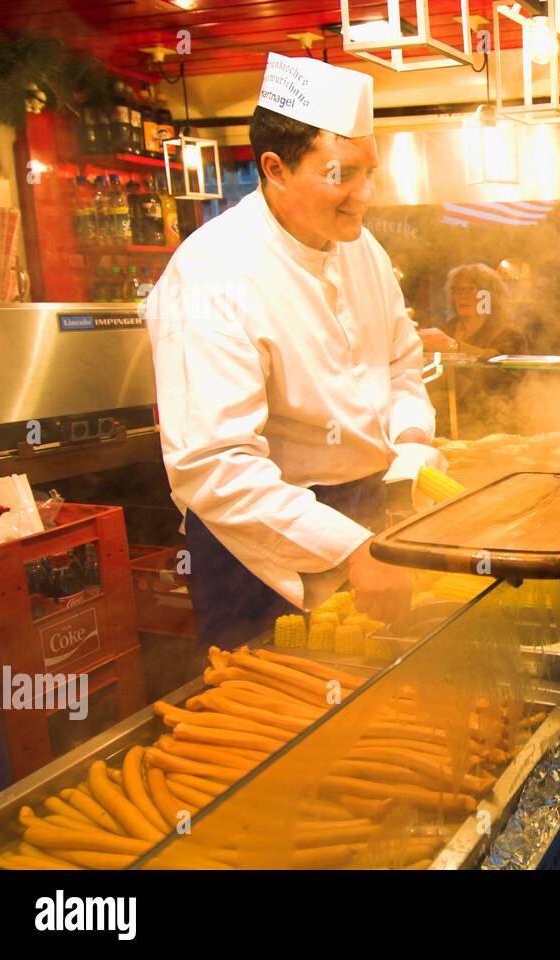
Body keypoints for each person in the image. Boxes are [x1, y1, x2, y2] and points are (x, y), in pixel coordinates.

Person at [145, 54, 442, 649]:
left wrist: (410, 443)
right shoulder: (211, 275)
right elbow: (215, 466)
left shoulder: (365, 252)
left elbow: (402, 365)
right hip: (258, 547)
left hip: (371, 513)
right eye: (343, 174)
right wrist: (351, 548)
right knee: (274, 723)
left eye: (371, 171)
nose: (366, 194)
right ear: (275, 168)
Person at [433, 262, 528, 358]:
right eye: (458, 289)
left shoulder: (509, 334)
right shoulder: (446, 330)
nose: (462, 296)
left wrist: (453, 346)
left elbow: (501, 370)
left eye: (471, 289)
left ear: (490, 295)